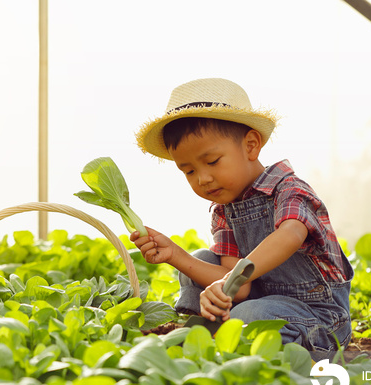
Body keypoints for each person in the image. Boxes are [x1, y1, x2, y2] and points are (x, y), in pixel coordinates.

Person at [131, 77, 353, 354]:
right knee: (201, 260)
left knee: (248, 316)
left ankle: (232, 336)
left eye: (212, 161)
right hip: (258, 301)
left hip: (319, 317)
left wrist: (230, 280)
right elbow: (242, 290)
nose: (203, 178)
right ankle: (202, 332)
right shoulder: (224, 211)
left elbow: (290, 235)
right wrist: (175, 255)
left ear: (250, 145)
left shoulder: (288, 189)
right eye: (188, 171)